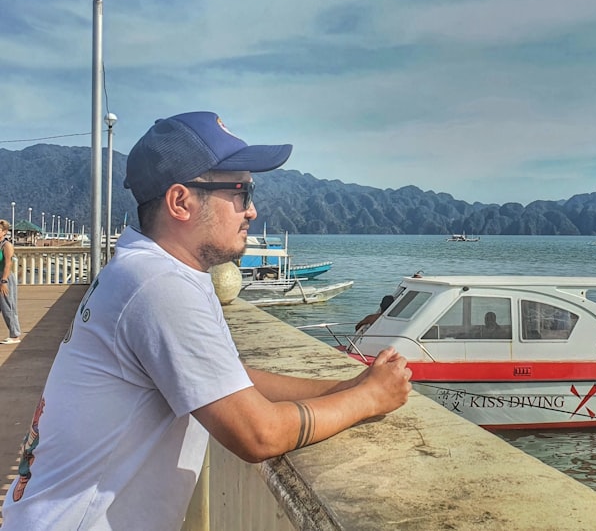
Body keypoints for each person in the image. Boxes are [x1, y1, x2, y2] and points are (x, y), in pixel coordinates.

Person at [1, 111, 412, 529]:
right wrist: (369, 399)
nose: (251, 211)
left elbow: (227, 376)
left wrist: (344, 386)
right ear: (181, 201)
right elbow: (258, 434)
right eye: (242, 192)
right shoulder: (158, 285)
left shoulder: (153, 269)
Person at [0, 219, 21, 344]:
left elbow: (8, 264)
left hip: (5, 277)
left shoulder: (6, 245)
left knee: (8, 306)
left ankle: (15, 335)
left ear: (4, 232)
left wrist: (4, 281)